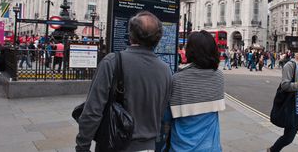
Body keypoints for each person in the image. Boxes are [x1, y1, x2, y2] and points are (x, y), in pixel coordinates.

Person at [76, 11, 172, 152]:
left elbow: (92, 111)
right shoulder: (166, 70)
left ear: (131, 35)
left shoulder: (112, 62)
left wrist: (82, 146)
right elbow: (161, 110)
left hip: (114, 145)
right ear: (158, 39)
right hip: (148, 147)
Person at [168, 30, 224, 152]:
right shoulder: (218, 76)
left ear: (190, 51)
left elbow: (167, 117)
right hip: (211, 147)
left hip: (181, 147)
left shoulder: (177, 79)